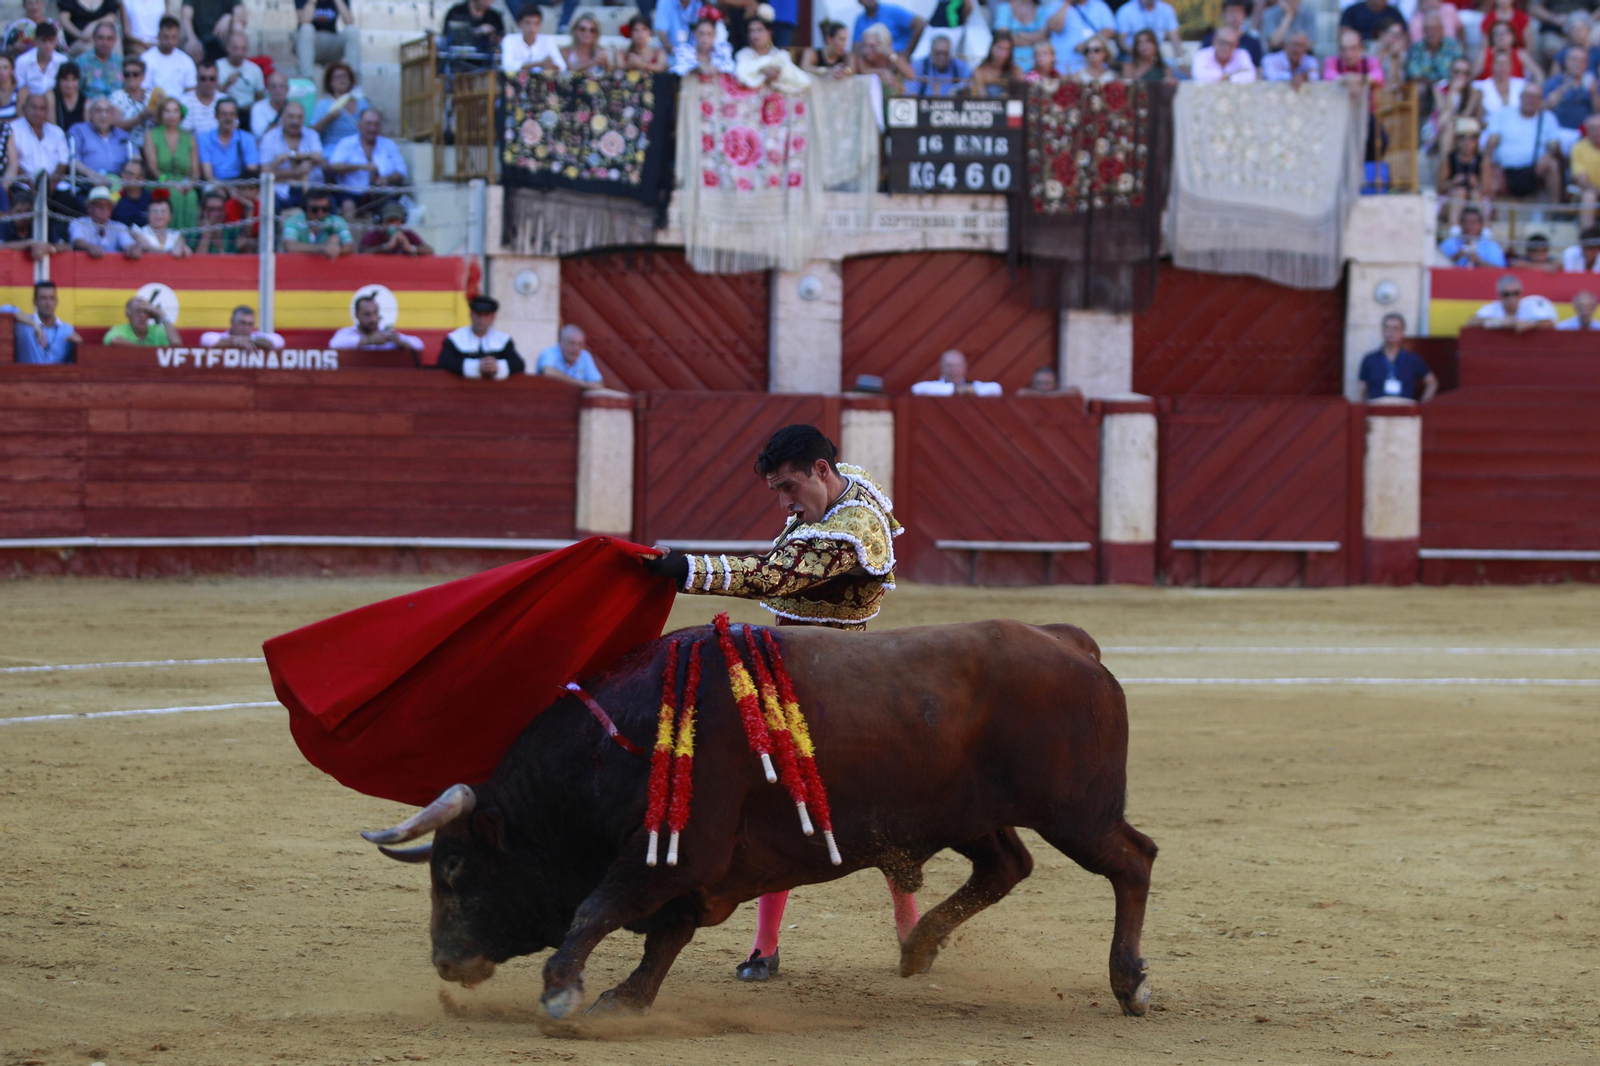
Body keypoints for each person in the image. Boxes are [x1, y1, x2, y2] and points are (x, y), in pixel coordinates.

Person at [637, 424, 917, 984]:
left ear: (820, 471)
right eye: (776, 491)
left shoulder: (854, 529)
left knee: (877, 807)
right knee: (780, 798)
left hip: (838, 679)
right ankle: (766, 945)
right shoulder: (843, 483)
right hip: (794, 663)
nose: (785, 502)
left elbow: (774, 574)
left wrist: (689, 568)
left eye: (790, 487)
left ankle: (910, 928)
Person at [1484, 82, 1563, 200]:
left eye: (1535, 97)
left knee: (1553, 165)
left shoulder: (1548, 118)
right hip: (1505, 170)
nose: (1530, 100)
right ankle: (1490, 209)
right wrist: (1492, 166)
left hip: (1534, 171)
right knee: (1489, 173)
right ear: (1520, 97)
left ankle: (1555, 208)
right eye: (1528, 96)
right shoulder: (1504, 114)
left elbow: (1555, 144)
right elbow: (1491, 143)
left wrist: (1547, 156)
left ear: (1540, 100)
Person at [326, 106, 405, 220]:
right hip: (351, 192)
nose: (372, 128)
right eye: (368, 124)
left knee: (392, 210)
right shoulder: (346, 143)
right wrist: (362, 167)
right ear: (359, 125)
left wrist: (387, 179)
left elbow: (401, 170)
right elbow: (333, 165)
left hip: (381, 194)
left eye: (376, 124)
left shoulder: (389, 145)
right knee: (348, 207)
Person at [142, 95, 199, 230]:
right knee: (173, 195)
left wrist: (190, 184)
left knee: (192, 196)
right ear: (161, 114)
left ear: (180, 114)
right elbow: (153, 168)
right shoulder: (151, 135)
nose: (171, 115)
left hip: (184, 183)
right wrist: (169, 182)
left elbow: (196, 172)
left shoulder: (189, 137)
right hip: (161, 181)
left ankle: (189, 238)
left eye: (175, 111)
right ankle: (171, 236)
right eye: (167, 111)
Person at [438, 295, 525, 380]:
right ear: (471, 314)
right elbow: (444, 362)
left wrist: (497, 366)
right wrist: (476, 367)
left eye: (486, 315)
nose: (481, 320)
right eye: (478, 314)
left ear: (493, 317)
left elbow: (519, 364)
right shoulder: (455, 338)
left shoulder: (502, 340)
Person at [1357, 313, 1438, 402]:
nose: (1391, 332)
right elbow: (1361, 389)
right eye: (1387, 328)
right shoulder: (1369, 359)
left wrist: (1422, 406)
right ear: (1382, 330)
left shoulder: (1413, 359)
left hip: (1405, 408)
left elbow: (1432, 382)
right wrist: (1364, 408)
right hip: (1377, 407)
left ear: (1402, 332)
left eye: (1395, 328)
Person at [258, 100, 323, 206]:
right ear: (282, 117)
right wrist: (296, 172)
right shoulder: (270, 137)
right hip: (279, 191)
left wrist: (290, 155)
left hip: (311, 191)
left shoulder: (311, 135)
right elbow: (265, 171)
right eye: (291, 116)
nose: (295, 121)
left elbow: (319, 157)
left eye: (299, 117)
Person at [5, 93, 70, 190]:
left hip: (55, 185)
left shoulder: (57, 132)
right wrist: (30, 183)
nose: (37, 112)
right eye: (33, 107)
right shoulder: (12, 129)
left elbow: (63, 162)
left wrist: (51, 185)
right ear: (23, 108)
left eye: (42, 108)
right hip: (23, 185)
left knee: (69, 198)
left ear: (47, 112)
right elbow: (11, 162)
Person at [735, 7, 809, 91]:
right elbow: (741, 74)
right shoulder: (743, 54)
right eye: (752, 31)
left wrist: (779, 74)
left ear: (769, 32)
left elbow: (801, 80)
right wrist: (762, 71)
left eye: (759, 30)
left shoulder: (780, 55)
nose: (755, 35)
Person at [330, 289, 424, 353]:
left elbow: (419, 344)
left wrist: (401, 342)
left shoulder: (385, 334)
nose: (373, 319)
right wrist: (369, 340)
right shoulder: (348, 333)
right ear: (357, 315)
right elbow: (334, 344)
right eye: (367, 314)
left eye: (375, 313)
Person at [12, 280, 81, 364]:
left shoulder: (67, 330)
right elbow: (5, 309)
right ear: (35, 301)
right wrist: (33, 324)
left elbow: (71, 363)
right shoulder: (24, 325)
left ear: (56, 301)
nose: (48, 303)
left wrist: (80, 345)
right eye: (43, 298)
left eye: (51, 298)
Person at [68, 95, 129, 188]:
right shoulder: (79, 130)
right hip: (88, 185)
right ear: (90, 113)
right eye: (98, 111)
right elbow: (73, 160)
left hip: (119, 186)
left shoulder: (123, 135)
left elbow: (135, 159)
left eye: (108, 111)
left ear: (112, 114)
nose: (103, 115)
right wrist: (92, 174)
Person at [69, 183, 141, 257]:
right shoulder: (79, 223)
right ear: (89, 208)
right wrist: (89, 247)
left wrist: (133, 249)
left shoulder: (119, 226)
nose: (104, 208)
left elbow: (127, 243)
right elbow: (77, 241)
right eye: (99, 205)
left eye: (108, 205)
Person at [1438, 116, 1486, 225]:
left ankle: (1481, 229)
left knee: (1475, 194)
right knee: (1460, 192)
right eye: (1462, 138)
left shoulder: (1482, 160)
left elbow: (1488, 190)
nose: (1467, 142)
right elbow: (1440, 188)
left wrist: (1476, 184)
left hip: (1475, 199)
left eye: (1472, 138)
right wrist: (1453, 182)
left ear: (1477, 141)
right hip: (1452, 200)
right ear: (1456, 140)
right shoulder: (1449, 159)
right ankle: (1454, 228)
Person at [1047, 0, 1115, 77]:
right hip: (1064, 68)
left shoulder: (1099, 5)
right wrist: (1067, 3)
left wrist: (1086, 46)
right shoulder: (1055, 5)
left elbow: (1109, 31)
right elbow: (1054, 27)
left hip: (1093, 72)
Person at [296, 0, 359, 80]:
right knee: (306, 28)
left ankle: (354, 80)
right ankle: (306, 78)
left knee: (352, 31)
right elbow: (304, 21)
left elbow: (349, 21)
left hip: (332, 43)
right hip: (311, 44)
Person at [1469, 274, 1558, 329]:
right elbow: (1471, 323)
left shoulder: (1530, 306)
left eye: (1515, 293)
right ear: (1499, 295)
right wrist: (1499, 322)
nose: (1511, 298)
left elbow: (1549, 323)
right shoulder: (1492, 308)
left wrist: (1531, 324)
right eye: (1506, 294)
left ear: (1521, 293)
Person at [310, 61, 366, 150]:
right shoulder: (324, 105)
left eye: (345, 76)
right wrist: (328, 118)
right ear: (331, 82)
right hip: (333, 149)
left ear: (350, 80)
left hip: (358, 149)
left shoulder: (362, 103)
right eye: (337, 77)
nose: (342, 80)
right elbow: (312, 133)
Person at [198, 96, 255, 182]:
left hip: (240, 184)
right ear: (216, 116)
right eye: (224, 114)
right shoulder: (205, 139)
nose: (228, 118)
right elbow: (208, 175)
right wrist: (224, 188)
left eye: (232, 114)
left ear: (236, 116)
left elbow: (251, 169)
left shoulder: (247, 139)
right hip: (214, 184)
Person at [282, 187, 349, 259]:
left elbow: (349, 246)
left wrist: (336, 248)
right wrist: (323, 248)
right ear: (305, 208)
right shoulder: (293, 221)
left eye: (325, 209)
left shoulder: (337, 221)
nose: (320, 213)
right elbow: (290, 246)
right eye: (315, 209)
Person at [141, 16, 198, 100]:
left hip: (180, 106)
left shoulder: (186, 61)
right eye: (166, 37)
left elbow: (191, 90)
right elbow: (143, 90)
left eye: (173, 37)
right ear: (159, 36)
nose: (170, 41)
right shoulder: (146, 59)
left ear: (178, 36)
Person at [1542, 44, 1597, 130]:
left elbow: (1597, 112)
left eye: (1582, 61)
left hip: (1583, 133)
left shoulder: (1592, 84)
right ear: (1566, 61)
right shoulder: (1554, 82)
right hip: (1557, 130)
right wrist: (1561, 90)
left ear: (1586, 64)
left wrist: (1594, 94)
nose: (1578, 64)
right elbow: (1543, 108)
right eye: (1574, 59)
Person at [534, 324, 604, 389]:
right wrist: (582, 384)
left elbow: (598, 384)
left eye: (580, 344)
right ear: (560, 341)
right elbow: (549, 372)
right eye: (571, 343)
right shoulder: (549, 353)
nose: (576, 348)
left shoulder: (584, 356)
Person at [501, 7, 566, 76]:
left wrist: (552, 65)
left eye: (536, 23)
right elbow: (507, 66)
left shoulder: (548, 40)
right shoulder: (510, 39)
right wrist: (537, 64)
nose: (532, 27)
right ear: (520, 23)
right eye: (528, 23)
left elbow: (562, 66)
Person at [108, 55, 156, 146]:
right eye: (127, 74)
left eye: (135, 74)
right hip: (128, 144)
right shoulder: (117, 96)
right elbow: (116, 125)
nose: (131, 77)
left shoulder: (152, 95)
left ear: (143, 76)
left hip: (152, 144)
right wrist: (140, 118)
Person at [1406, 12, 1463, 87]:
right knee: (1420, 87)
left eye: (1435, 28)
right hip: (1425, 88)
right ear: (1423, 31)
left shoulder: (1452, 46)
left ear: (1442, 30)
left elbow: (1461, 68)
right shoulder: (1416, 49)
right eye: (1428, 29)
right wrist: (1435, 86)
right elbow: (1414, 75)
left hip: (1449, 87)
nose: (1431, 33)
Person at [993, 0, 1051, 73]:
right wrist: (1035, 37)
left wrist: (1018, 34)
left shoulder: (1040, 9)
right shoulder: (1005, 8)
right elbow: (1002, 38)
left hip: (1036, 64)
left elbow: (1043, 37)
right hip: (1009, 64)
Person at [910, 349, 1002, 396]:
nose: (953, 370)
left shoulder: (973, 386)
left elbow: (996, 389)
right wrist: (957, 390)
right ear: (941, 367)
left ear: (964, 367)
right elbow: (916, 389)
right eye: (949, 366)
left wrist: (972, 390)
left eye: (957, 366)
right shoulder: (934, 386)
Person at [442, 0, 504, 67]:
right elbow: (447, 35)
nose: (490, 2)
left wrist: (493, 37)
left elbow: (501, 39)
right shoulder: (456, 12)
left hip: (486, 62)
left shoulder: (494, 16)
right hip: (457, 61)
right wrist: (477, 31)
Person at [1438, 206, 1506, 267]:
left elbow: (1500, 270)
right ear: (1460, 224)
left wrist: (1479, 262)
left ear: (1481, 225)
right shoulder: (1449, 243)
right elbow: (1437, 267)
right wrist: (1455, 257)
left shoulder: (1491, 245)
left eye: (1473, 222)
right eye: (1466, 222)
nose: (1469, 226)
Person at [1201, 0, 1263, 65]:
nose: (1234, 16)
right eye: (1230, 12)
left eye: (1238, 12)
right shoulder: (1210, 38)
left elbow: (1258, 67)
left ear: (1244, 16)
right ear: (1222, 15)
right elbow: (1202, 61)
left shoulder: (1253, 42)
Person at [105, 293, 182, 345]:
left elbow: (176, 345)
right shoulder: (121, 330)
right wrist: (145, 353)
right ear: (128, 314)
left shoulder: (156, 331)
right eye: (138, 311)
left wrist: (162, 315)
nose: (142, 315)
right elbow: (114, 341)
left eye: (146, 311)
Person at [180, 0, 242, 64]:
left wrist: (229, 17)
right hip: (199, 37)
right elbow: (186, 18)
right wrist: (192, 39)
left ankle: (236, 65)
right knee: (190, 45)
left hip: (222, 36)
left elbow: (240, 14)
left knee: (237, 26)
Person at [854, 23, 913, 90]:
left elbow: (910, 75)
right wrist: (884, 72)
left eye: (872, 46)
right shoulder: (862, 58)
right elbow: (864, 71)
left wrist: (891, 56)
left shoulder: (892, 57)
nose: (866, 50)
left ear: (883, 45)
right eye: (865, 45)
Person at [1475, 47, 1527, 121]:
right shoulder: (1481, 87)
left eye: (1505, 63)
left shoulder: (1522, 85)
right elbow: (1479, 118)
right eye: (1498, 63)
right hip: (1490, 126)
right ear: (1492, 66)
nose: (1502, 67)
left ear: (1511, 66)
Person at [215, 31, 260, 117]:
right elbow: (212, 95)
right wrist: (227, 84)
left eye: (243, 48)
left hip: (248, 112)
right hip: (224, 113)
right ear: (228, 48)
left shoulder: (255, 69)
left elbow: (259, 96)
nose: (239, 53)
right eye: (235, 48)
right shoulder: (217, 66)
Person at [907, 33, 971, 93]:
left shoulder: (960, 66)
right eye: (938, 53)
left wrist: (957, 90)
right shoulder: (919, 66)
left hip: (954, 101)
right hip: (924, 101)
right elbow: (910, 91)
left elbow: (970, 83)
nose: (942, 57)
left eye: (945, 54)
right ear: (931, 51)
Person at [853, 0, 923, 55]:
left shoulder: (891, 10)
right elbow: (856, 48)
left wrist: (908, 52)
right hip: (876, 61)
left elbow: (920, 24)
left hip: (897, 57)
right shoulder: (860, 20)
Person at [199, 304, 284, 349]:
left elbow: (279, 341)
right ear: (232, 322)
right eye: (242, 323)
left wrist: (249, 340)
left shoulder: (256, 337)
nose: (246, 327)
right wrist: (234, 341)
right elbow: (206, 339)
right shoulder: (221, 337)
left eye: (250, 324)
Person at [16, 21, 66, 96]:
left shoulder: (63, 61)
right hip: (29, 100)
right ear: (36, 41)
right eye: (43, 40)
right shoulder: (22, 61)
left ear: (56, 41)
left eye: (51, 41)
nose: (47, 45)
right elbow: (19, 88)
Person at [1192, 25, 1256, 83]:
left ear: (1236, 45)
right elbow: (1198, 75)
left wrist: (1225, 78)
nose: (1226, 48)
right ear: (1214, 41)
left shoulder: (1242, 54)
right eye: (1222, 42)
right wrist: (1230, 76)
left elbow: (1251, 75)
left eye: (1230, 44)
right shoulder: (1202, 54)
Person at [1117, 0, 1181, 58]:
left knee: (1170, 65)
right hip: (1132, 56)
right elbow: (1121, 40)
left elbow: (1174, 35)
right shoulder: (1126, 10)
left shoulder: (1166, 9)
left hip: (1157, 56)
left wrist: (1180, 60)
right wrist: (1139, 54)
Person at [189, 184, 244, 251]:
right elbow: (198, 257)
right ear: (203, 211)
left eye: (219, 209)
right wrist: (206, 235)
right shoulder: (193, 233)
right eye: (211, 209)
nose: (216, 214)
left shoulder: (232, 232)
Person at [58, 0, 122, 58]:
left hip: (100, 36)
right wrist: (81, 35)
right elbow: (64, 20)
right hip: (77, 40)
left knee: (115, 39)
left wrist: (93, 25)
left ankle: (119, 65)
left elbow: (112, 16)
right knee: (91, 49)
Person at [178, 58, 221, 135]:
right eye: (203, 79)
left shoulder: (224, 101)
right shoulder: (184, 101)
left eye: (212, 79)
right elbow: (184, 133)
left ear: (217, 79)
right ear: (196, 78)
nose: (207, 83)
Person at [79, 22, 121, 99]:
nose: (105, 43)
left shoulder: (121, 63)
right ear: (93, 38)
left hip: (117, 105)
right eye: (101, 38)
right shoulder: (81, 63)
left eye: (109, 38)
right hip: (91, 104)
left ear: (115, 40)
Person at [1574, 116, 1600, 226]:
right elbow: (1581, 179)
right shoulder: (1579, 147)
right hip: (1590, 191)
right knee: (1589, 196)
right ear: (1587, 131)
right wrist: (1597, 191)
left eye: (1599, 128)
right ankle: (1587, 234)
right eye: (1593, 129)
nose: (1597, 132)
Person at [250, 69, 290, 138]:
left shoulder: (293, 108)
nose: (278, 90)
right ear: (268, 89)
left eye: (281, 86)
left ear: (287, 89)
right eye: (274, 86)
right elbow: (259, 136)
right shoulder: (258, 108)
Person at [1340, 0, 1405, 43]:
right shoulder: (1352, 11)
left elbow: (1405, 37)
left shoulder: (1395, 14)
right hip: (1358, 55)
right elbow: (1344, 36)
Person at [112, 155, 150, 224]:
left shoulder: (150, 199)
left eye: (129, 174)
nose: (123, 176)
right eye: (123, 172)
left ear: (140, 178)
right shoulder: (115, 198)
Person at [52, 61, 87, 133]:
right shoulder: (51, 96)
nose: (69, 84)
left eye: (74, 79)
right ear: (59, 80)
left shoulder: (85, 101)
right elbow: (52, 125)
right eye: (65, 79)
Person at [1016, 365, 1081, 397]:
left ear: (1055, 384)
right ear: (1033, 384)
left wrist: (1045, 395)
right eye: (1039, 383)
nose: (1043, 386)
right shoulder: (1027, 394)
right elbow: (1021, 392)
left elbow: (1075, 390)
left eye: (1047, 383)